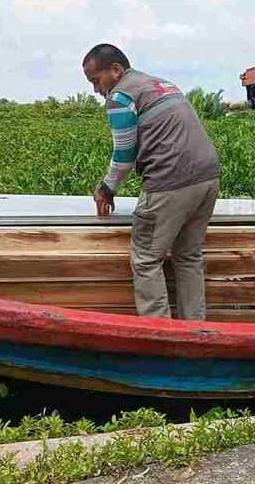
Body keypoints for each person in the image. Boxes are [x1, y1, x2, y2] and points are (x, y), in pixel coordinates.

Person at [83, 44, 221, 320]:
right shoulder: (162, 84)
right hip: (208, 177)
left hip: (170, 181)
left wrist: (105, 189)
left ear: (116, 70)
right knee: (189, 257)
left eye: (96, 81)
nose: (97, 90)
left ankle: (161, 337)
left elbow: (124, 156)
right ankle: (195, 331)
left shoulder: (120, 96)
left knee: (146, 259)